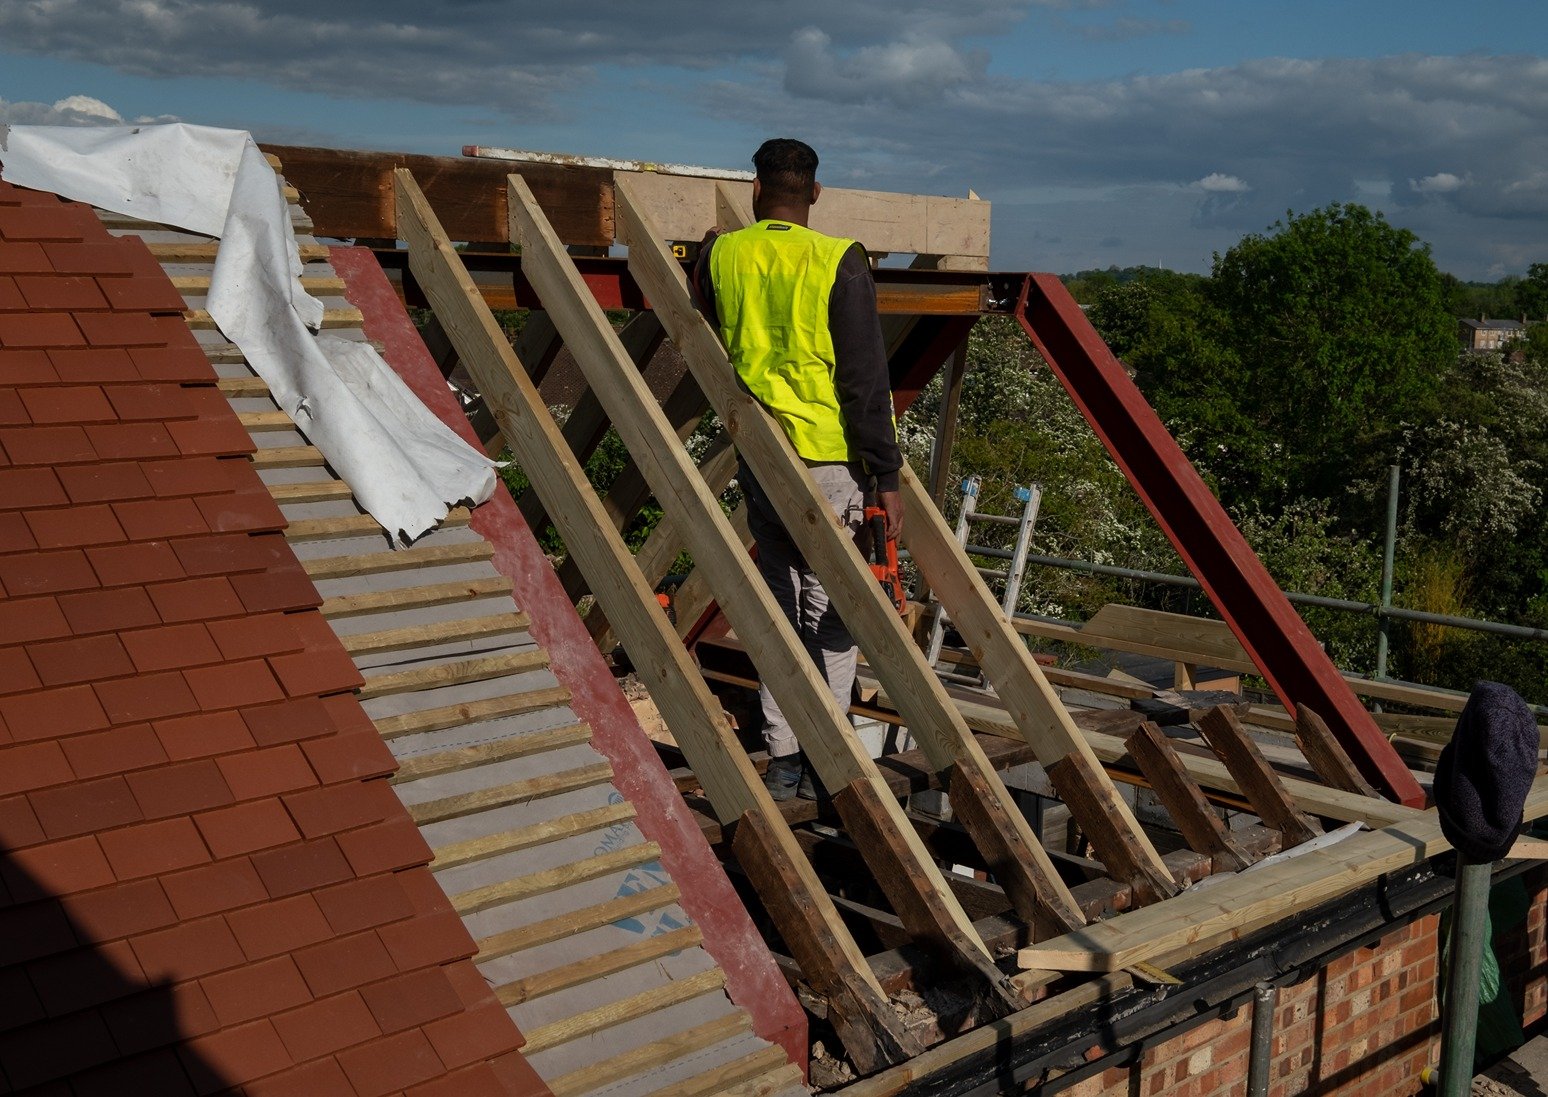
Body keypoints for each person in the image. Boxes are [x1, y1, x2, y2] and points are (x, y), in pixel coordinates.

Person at [693, 138, 904, 801]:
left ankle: (785, 756)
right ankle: (827, 749)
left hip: (762, 457)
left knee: (783, 606)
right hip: (827, 461)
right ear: (815, 192)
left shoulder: (722, 254)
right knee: (833, 612)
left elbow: (705, 311)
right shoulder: (837, 261)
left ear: (756, 189)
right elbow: (866, 383)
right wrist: (887, 477)